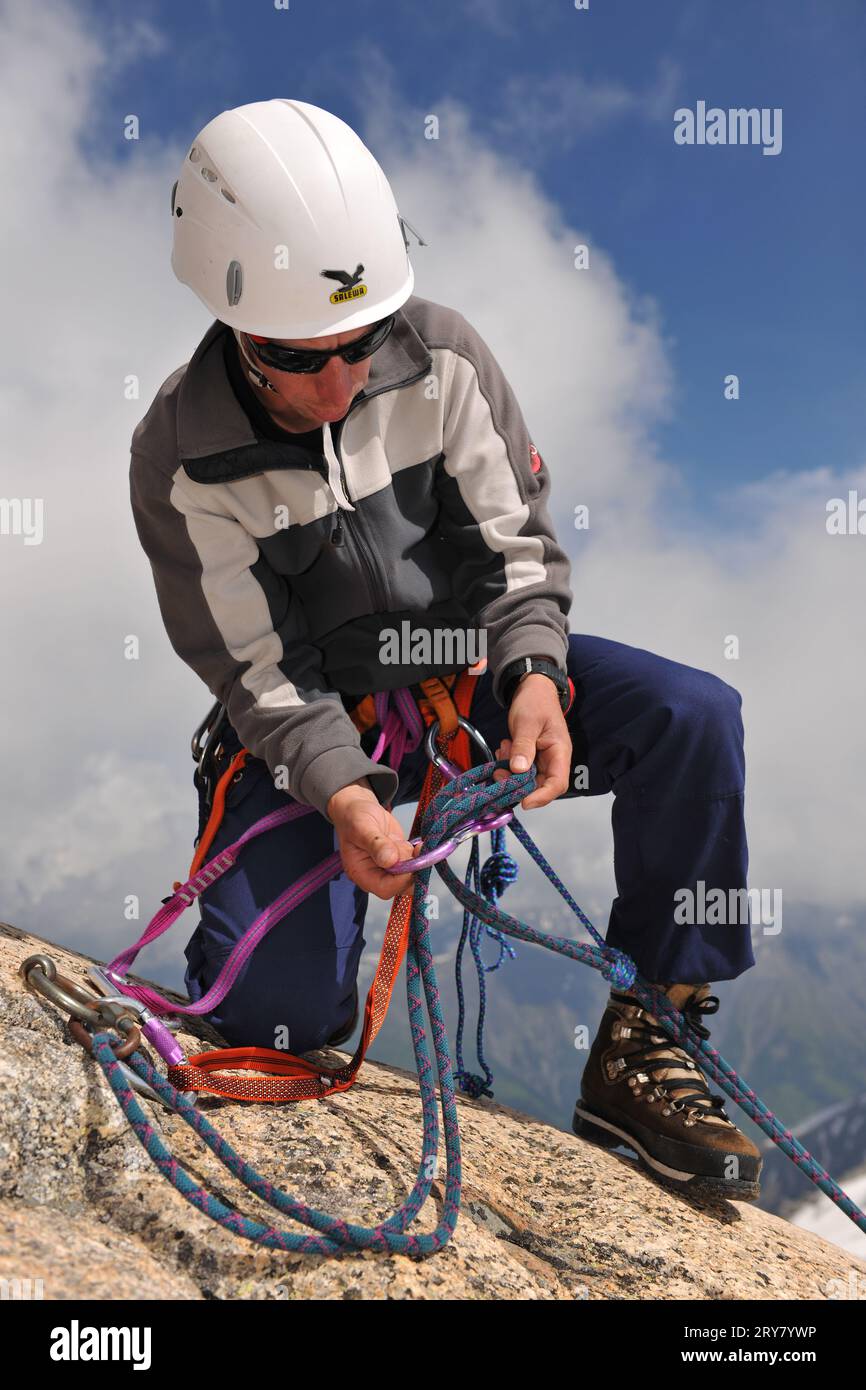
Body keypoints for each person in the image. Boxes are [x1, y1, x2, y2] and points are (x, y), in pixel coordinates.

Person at [129, 98, 761, 1202]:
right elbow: (255, 670)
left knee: (688, 716)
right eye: (296, 355)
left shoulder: (443, 354)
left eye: (359, 342)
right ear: (227, 315)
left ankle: (651, 1032)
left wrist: (534, 674)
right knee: (276, 1023)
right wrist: (341, 791)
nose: (338, 385)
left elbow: (515, 547)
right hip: (316, 726)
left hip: (470, 679)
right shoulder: (181, 455)